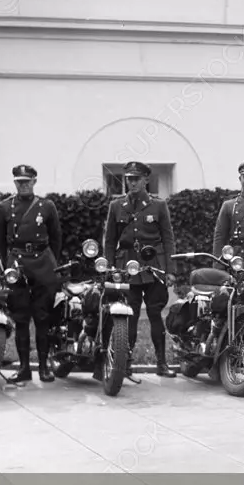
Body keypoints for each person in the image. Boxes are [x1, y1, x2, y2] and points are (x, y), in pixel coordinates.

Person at [102, 160, 177, 378]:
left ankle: (161, 363)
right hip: (126, 266)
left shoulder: (158, 205)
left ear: (146, 180)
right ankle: (125, 364)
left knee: (155, 314)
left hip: (153, 265)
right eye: (129, 179)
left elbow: (168, 238)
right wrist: (109, 267)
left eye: (136, 179)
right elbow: (109, 241)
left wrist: (170, 269)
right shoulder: (116, 206)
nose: (132, 183)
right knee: (129, 316)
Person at [0, 164, 62, 383]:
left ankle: (43, 368)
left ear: (34, 182)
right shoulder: (5, 207)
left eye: (27, 181)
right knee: (21, 318)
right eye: (19, 182)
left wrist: (52, 264)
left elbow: (56, 238)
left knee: (43, 318)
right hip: (18, 264)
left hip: (42, 263)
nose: (23, 185)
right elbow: (0, 241)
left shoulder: (47, 206)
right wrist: (9, 265)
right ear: (15, 183)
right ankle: (24, 368)